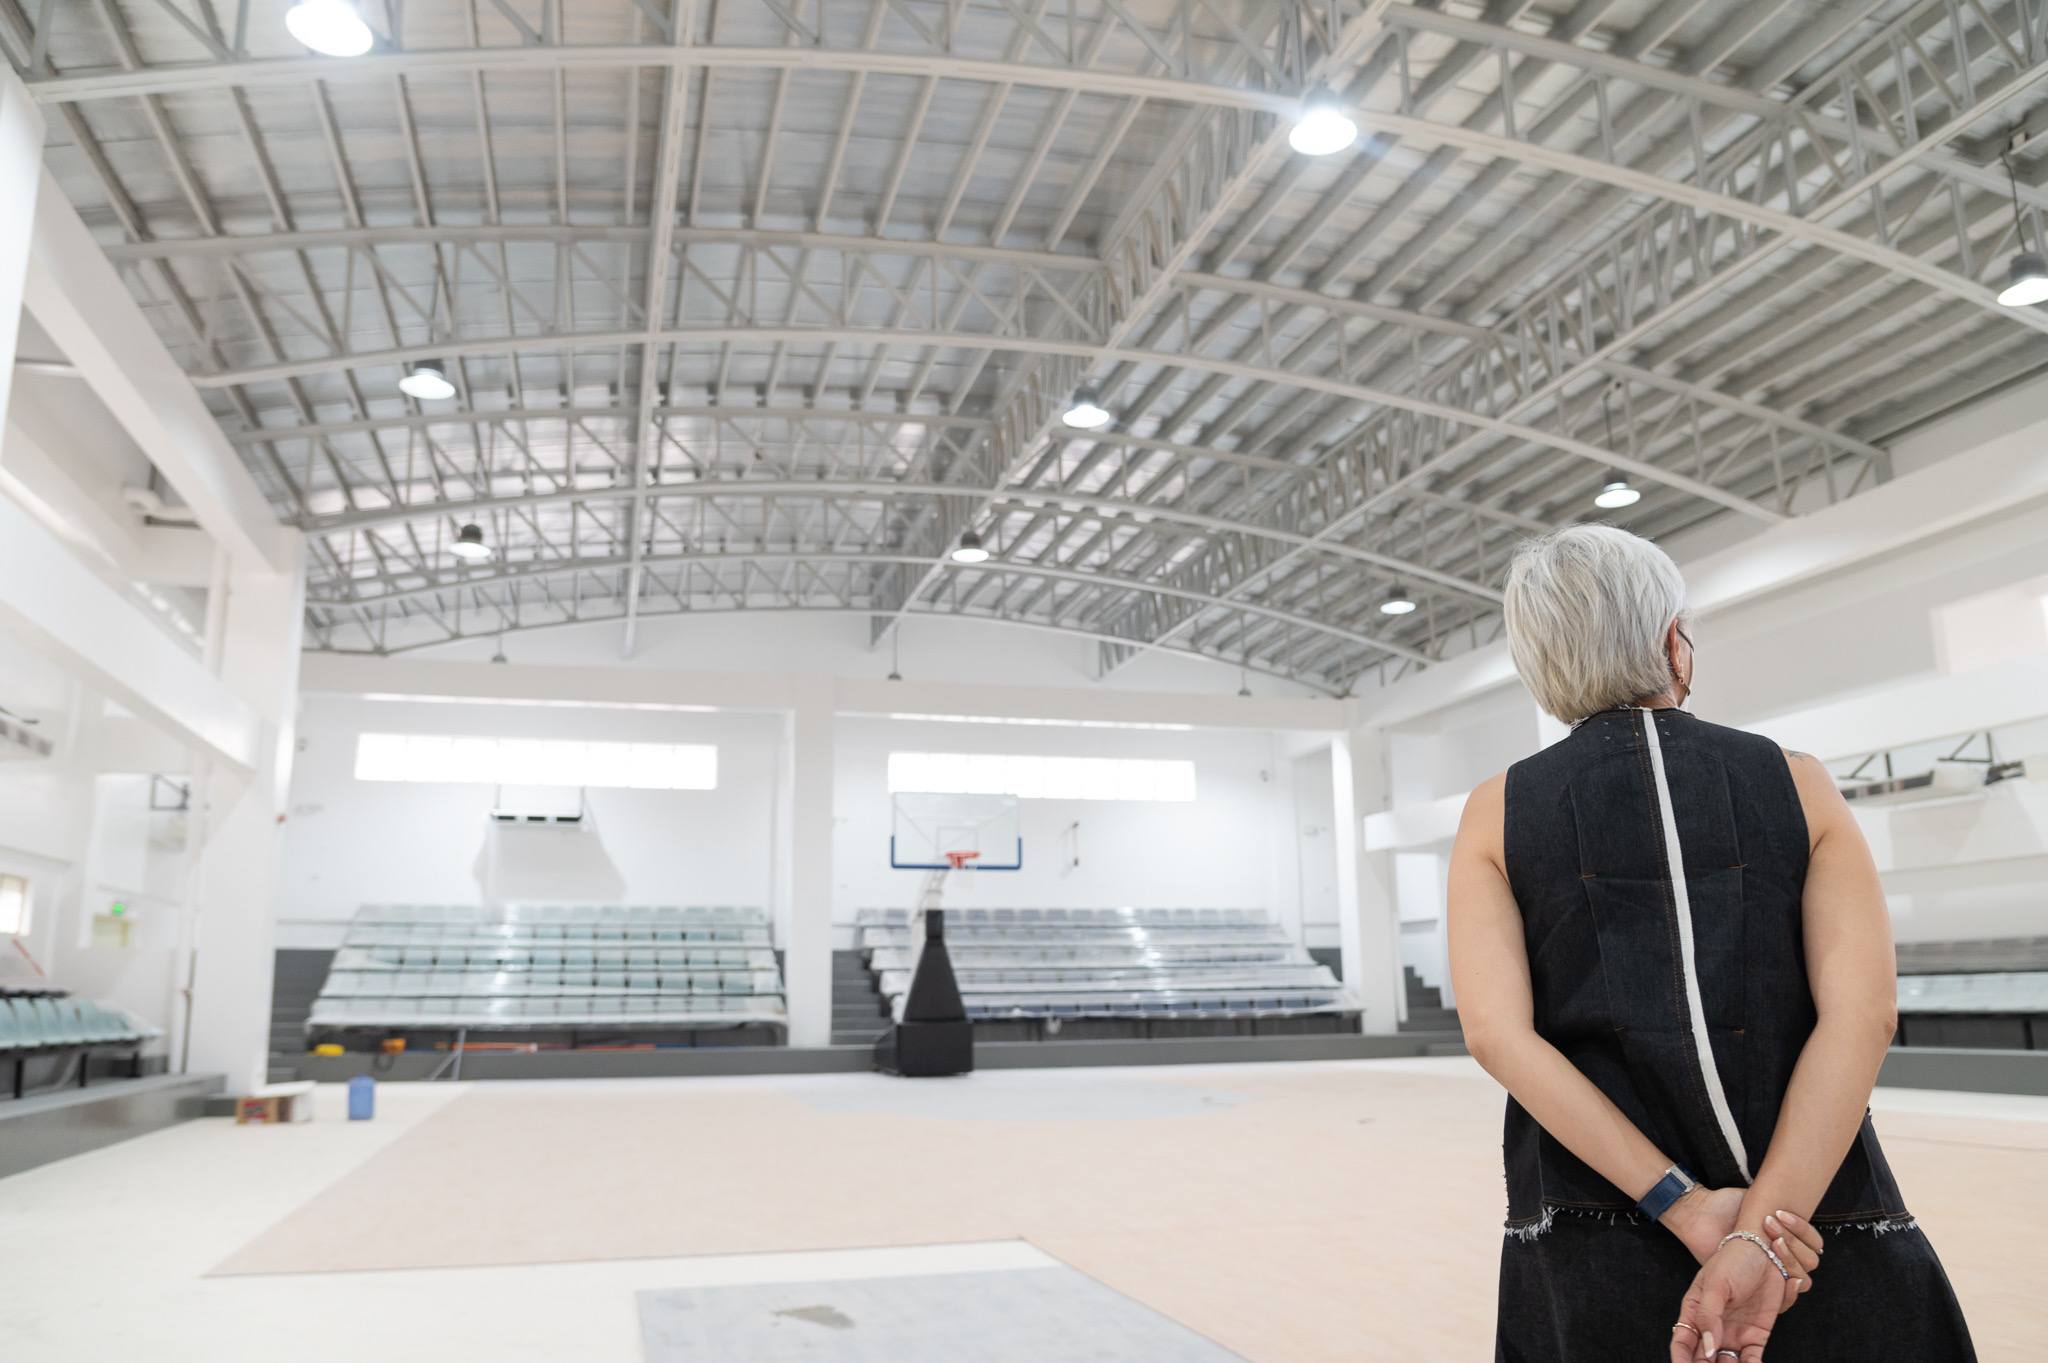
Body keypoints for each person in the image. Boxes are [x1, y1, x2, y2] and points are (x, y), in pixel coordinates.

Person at [1446, 524, 1975, 1362]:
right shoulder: (1798, 780)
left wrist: (1689, 1206)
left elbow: (1497, 1035)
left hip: (1598, 1232)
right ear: (1672, 643)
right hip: (1812, 1225)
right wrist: (1761, 1233)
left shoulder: (1494, 810)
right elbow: (1863, 1015)